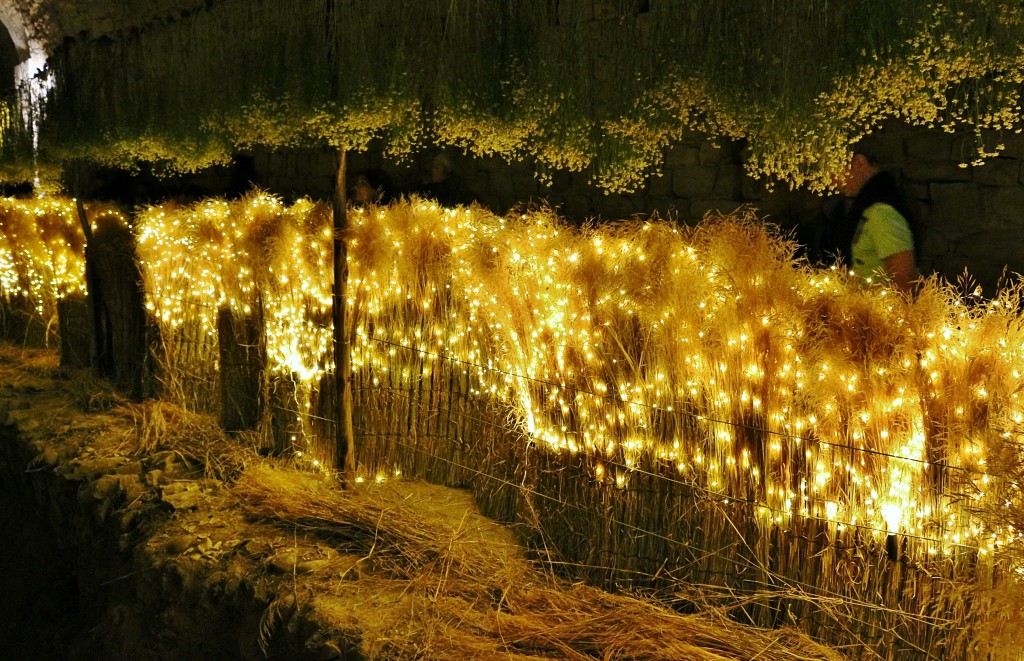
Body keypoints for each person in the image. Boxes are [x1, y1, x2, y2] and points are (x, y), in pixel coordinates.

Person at [824, 149, 919, 294]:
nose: (830, 181)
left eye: (831, 170)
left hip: (878, 306)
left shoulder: (881, 212)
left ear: (859, 163)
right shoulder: (864, 209)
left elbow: (904, 280)